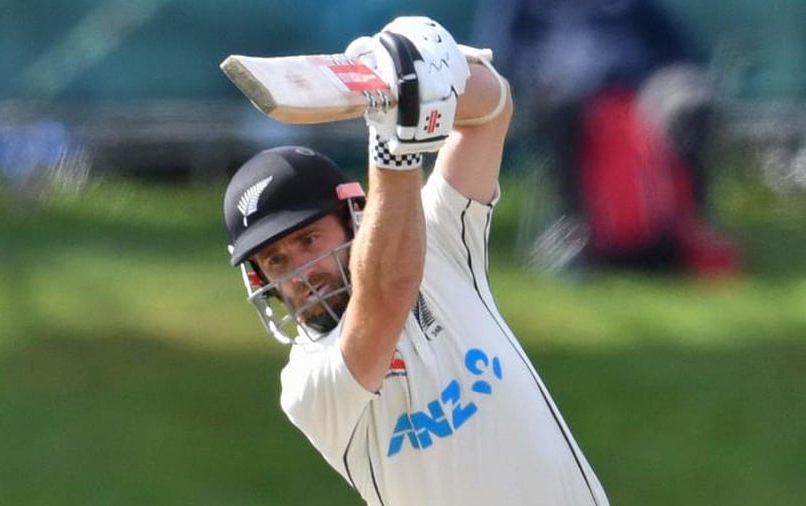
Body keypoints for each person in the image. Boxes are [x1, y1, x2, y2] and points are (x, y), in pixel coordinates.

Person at [222, 16, 610, 506]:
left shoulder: (438, 240)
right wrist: (396, 135)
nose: (301, 271)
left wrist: (425, 80)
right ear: (262, 280)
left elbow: (492, 109)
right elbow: (386, 299)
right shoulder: (310, 386)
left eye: (308, 240)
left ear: (352, 218)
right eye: (275, 260)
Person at [474, 0, 739, 274]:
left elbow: (675, 44)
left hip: (643, 89)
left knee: (690, 102)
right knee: (560, 107)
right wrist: (535, 78)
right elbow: (504, 54)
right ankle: (578, 231)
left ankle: (688, 226)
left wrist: (679, 80)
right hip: (567, 91)